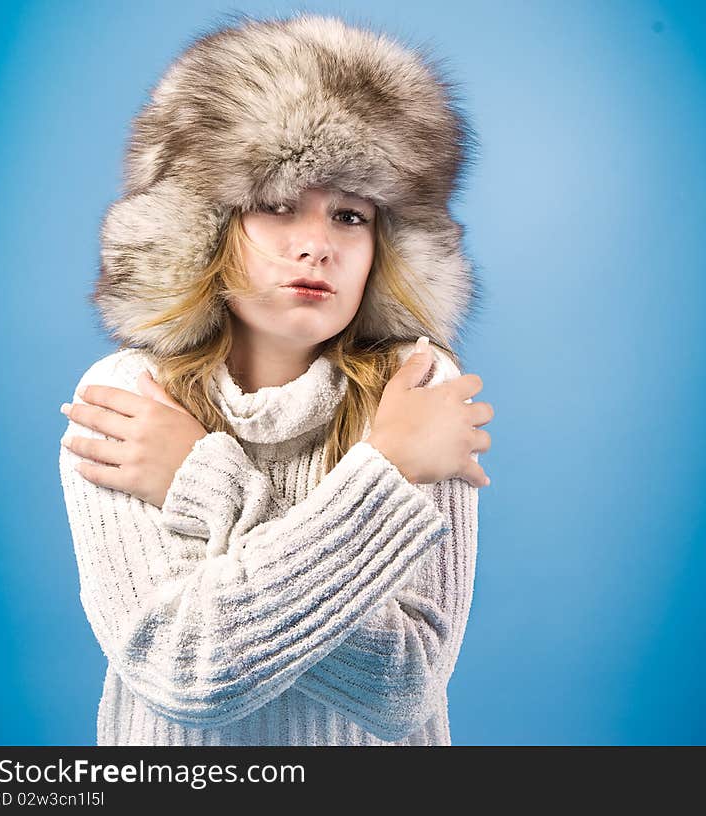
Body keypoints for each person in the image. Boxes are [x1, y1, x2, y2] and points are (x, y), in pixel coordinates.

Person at [57, 12, 493, 746]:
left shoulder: (418, 390)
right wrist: (387, 474)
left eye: (351, 215)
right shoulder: (128, 397)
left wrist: (199, 482)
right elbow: (183, 674)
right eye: (278, 204)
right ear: (206, 225)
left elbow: (405, 689)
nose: (318, 244)